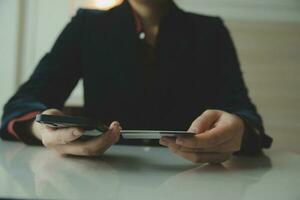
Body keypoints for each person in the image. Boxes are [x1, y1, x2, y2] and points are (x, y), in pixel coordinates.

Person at [0, 0, 272, 163]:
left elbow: (246, 114)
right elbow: (22, 103)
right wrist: (42, 128)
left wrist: (238, 129)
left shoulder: (211, 31)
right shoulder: (86, 26)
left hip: (196, 179)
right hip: (98, 177)